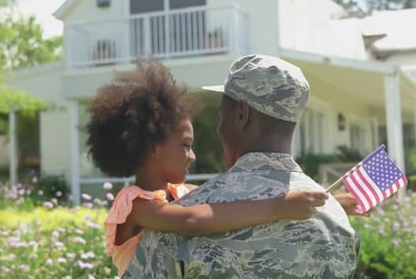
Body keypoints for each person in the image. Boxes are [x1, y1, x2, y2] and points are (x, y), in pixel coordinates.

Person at [85, 59, 331, 277]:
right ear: (151, 146)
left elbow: (234, 205)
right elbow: (192, 221)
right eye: (185, 145)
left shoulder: (181, 192)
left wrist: (328, 202)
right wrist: (281, 207)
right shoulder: (134, 206)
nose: (192, 156)